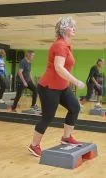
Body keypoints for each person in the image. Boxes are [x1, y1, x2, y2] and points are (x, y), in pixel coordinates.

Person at [28, 16, 85, 157]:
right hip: (49, 87)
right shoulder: (59, 45)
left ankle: (66, 137)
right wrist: (76, 81)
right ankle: (34, 145)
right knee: (48, 117)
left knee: (75, 107)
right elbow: (59, 68)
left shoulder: (65, 46)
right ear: (64, 29)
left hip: (62, 87)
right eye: (71, 26)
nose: (74, 29)